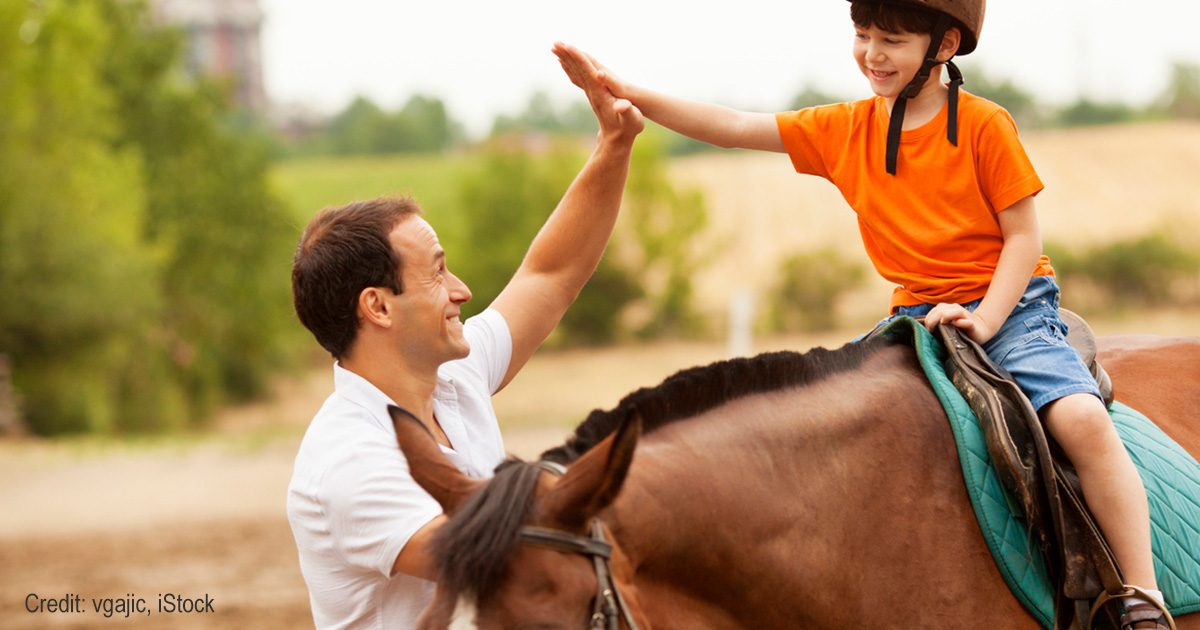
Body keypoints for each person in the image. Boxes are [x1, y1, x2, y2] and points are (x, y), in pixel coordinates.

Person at [553, 1, 1169, 628]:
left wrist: (985, 318)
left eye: (892, 40)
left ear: (945, 44)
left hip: (1008, 308)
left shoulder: (986, 126)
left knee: (1082, 421)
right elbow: (734, 124)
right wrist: (622, 89)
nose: (872, 54)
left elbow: (1023, 239)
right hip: (913, 312)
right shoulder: (845, 128)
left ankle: (1141, 596)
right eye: (862, 35)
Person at [285, 53, 644, 628]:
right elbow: (508, 560)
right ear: (378, 306)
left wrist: (614, 144)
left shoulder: (454, 378)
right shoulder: (347, 460)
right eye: (437, 271)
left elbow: (549, 276)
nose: (463, 290)